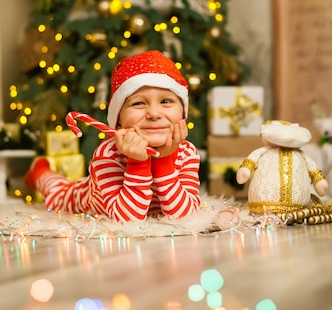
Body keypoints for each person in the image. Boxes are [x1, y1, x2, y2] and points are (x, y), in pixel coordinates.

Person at [23, 50, 201, 222]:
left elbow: (186, 217)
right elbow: (126, 221)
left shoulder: (187, 153)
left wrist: (164, 160)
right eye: (138, 103)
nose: (154, 113)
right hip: (81, 199)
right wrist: (138, 162)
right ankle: (40, 171)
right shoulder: (108, 155)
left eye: (166, 101)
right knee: (59, 194)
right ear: (118, 121)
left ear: (183, 113)